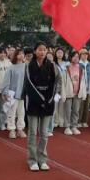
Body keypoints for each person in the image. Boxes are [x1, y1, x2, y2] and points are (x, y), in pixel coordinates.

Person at [23, 42, 60, 171]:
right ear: (35, 51)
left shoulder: (52, 66)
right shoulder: (29, 66)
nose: (42, 52)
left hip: (48, 103)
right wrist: (41, 100)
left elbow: (56, 83)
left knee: (44, 133)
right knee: (33, 133)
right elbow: (29, 85)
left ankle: (42, 159)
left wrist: (49, 99)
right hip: (34, 102)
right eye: (40, 49)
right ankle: (32, 160)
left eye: (44, 50)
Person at [2, 48, 27, 139]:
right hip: (12, 94)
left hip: (23, 93)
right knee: (11, 112)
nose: (21, 55)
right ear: (16, 55)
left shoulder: (26, 67)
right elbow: (6, 81)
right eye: (19, 54)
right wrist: (5, 92)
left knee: (21, 113)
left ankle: (20, 129)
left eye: (22, 53)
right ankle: (12, 129)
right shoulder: (11, 67)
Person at [61, 51, 87, 136]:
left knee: (76, 110)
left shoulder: (81, 68)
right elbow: (63, 82)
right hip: (68, 92)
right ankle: (67, 127)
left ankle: (74, 126)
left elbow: (83, 81)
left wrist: (83, 93)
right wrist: (63, 94)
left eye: (77, 57)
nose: (76, 58)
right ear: (70, 57)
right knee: (68, 111)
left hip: (78, 92)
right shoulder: (66, 68)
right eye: (74, 56)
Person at [78, 49, 90, 128]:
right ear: (80, 55)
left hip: (88, 88)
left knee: (87, 106)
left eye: (86, 54)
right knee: (80, 105)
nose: (85, 56)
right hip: (80, 88)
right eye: (83, 54)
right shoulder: (78, 64)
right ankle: (78, 121)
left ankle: (84, 121)